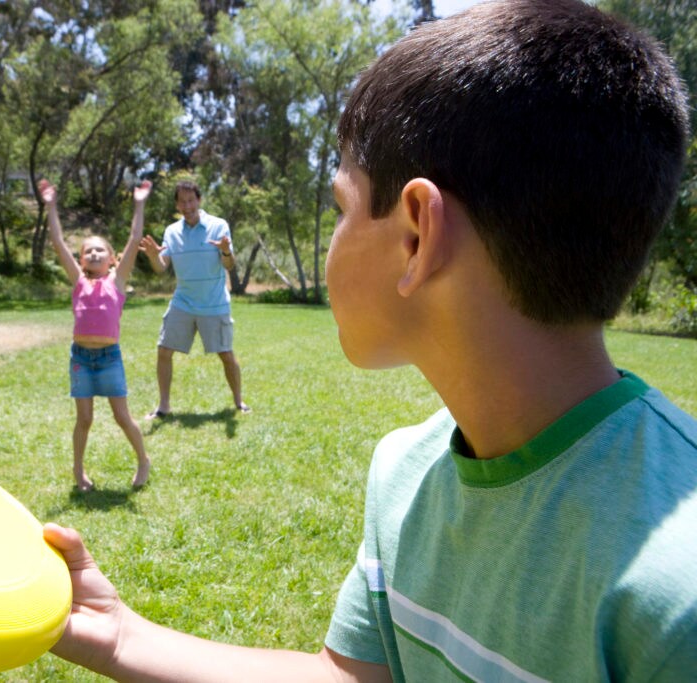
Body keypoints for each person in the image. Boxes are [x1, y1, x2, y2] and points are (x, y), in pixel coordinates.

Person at [41, 0, 697, 679]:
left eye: (340, 207)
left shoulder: (680, 593)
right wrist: (121, 637)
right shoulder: (404, 475)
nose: (335, 232)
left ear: (416, 236)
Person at [40, 178, 153, 492]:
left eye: (100, 250)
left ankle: (143, 460)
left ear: (112, 258)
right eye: (87, 251)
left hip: (108, 358)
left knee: (122, 416)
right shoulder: (78, 281)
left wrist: (139, 204)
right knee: (84, 419)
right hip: (81, 359)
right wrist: (51, 206)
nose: (93, 254)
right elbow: (57, 241)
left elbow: (134, 238)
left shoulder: (116, 281)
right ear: (80, 260)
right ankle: (79, 472)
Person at [140, 180, 250, 418]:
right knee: (163, 350)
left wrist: (225, 250)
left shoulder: (219, 226)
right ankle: (163, 407)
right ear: (177, 205)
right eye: (182, 201)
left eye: (191, 200)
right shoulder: (172, 232)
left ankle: (238, 402)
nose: (187, 206)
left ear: (199, 200)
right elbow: (161, 267)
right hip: (183, 303)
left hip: (214, 303)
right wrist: (152, 256)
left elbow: (229, 265)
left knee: (226, 354)